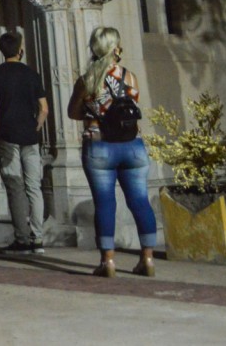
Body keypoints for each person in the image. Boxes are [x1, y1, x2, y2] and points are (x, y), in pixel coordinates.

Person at [66, 27, 157, 277]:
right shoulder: (130, 77)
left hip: (99, 145)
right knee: (140, 201)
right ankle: (147, 259)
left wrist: (92, 111)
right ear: (116, 47)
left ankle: (108, 262)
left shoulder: (87, 81)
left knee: (105, 203)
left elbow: (72, 113)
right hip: (133, 146)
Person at [0, 31, 49, 254]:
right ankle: (38, 237)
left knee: (15, 188)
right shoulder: (32, 74)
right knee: (34, 187)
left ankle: (22, 239)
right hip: (29, 137)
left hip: (7, 136)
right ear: (20, 50)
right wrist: (36, 126)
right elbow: (44, 109)